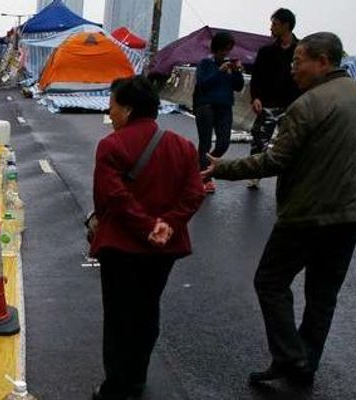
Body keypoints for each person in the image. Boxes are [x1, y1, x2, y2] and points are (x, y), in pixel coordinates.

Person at [203, 32, 356, 388]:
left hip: (307, 214)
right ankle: (305, 364)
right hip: (351, 216)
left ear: (323, 62)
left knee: (270, 281)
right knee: (323, 295)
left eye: (298, 61)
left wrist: (222, 168)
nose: (293, 69)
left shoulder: (307, 105)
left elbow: (275, 160)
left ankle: (291, 356)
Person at [90, 76, 206, 400]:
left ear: (127, 109)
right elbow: (194, 193)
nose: (110, 113)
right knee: (147, 309)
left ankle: (116, 386)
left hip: (122, 246)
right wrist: (166, 224)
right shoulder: (183, 146)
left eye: (112, 106)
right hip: (163, 249)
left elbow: (112, 197)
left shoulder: (111, 146)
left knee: (118, 317)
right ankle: (137, 378)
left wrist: (145, 226)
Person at [247, 8, 302, 188]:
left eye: (275, 24)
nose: (271, 28)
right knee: (259, 141)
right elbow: (257, 77)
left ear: (286, 26)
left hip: (294, 106)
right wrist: (255, 97)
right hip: (268, 104)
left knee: (292, 145)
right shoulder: (266, 51)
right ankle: (254, 174)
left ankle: (289, 180)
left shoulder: (301, 51)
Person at [192, 32, 244, 194]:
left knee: (223, 143)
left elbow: (238, 86)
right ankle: (204, 177)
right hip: (205, 105)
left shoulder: (230, 66)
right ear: (217, 48)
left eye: (228, 50)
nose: (226, 54)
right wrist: (219, 72)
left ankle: (200, 169)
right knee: (205, 143)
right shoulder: (206, 64)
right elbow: (203, 84)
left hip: (224, 106)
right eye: (223, 50)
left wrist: (237, 71)